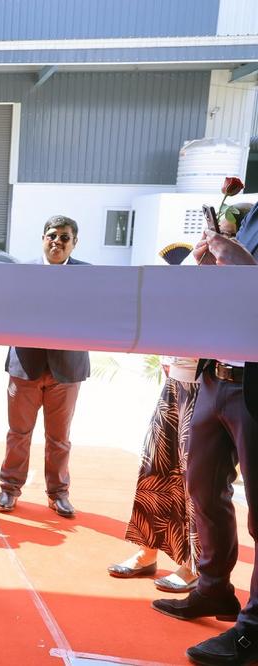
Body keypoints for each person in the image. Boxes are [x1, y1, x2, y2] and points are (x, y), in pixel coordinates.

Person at [152, 223, 258, 665]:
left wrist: (243, 263)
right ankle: (213, 588)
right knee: (203, 490)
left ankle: (253, 629)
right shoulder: (250, 217)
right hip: (216, 375)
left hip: (253, 381)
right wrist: (209, 264)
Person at [0, 215, 90, 518]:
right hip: (25, 366)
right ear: (43, 239)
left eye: (65, 237)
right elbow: (5, 311)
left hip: (67, 368)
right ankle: (9, 489)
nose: (57, 241)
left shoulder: (90, 276)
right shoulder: (22, 273)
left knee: (59, 438)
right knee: (18, 433)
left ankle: (58, 493)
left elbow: (96, 316)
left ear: (74, 243)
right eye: (52, 235)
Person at [108, 355, 200, 592]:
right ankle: (147, 553)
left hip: (205, 387)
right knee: (154, 466)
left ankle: (194, 566)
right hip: (174, 382)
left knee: (195, 478)